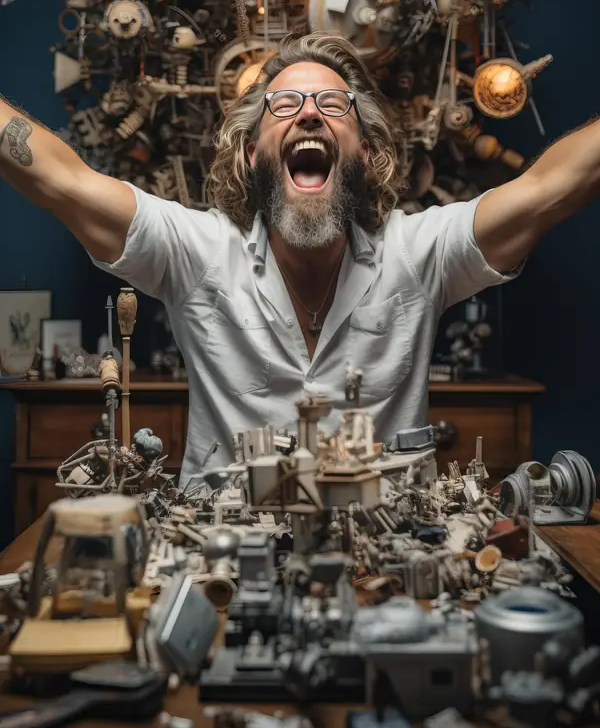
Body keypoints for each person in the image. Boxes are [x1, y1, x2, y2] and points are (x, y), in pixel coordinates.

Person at [0, 33, 597, 482]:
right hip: (222, 562)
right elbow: (62, 181)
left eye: (334, 106)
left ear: (364, 153)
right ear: (249, 151)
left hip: (384, 568)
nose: (309, 113)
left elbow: (550, 189)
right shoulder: (198, 252)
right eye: (283, 105)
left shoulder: (418, 253)